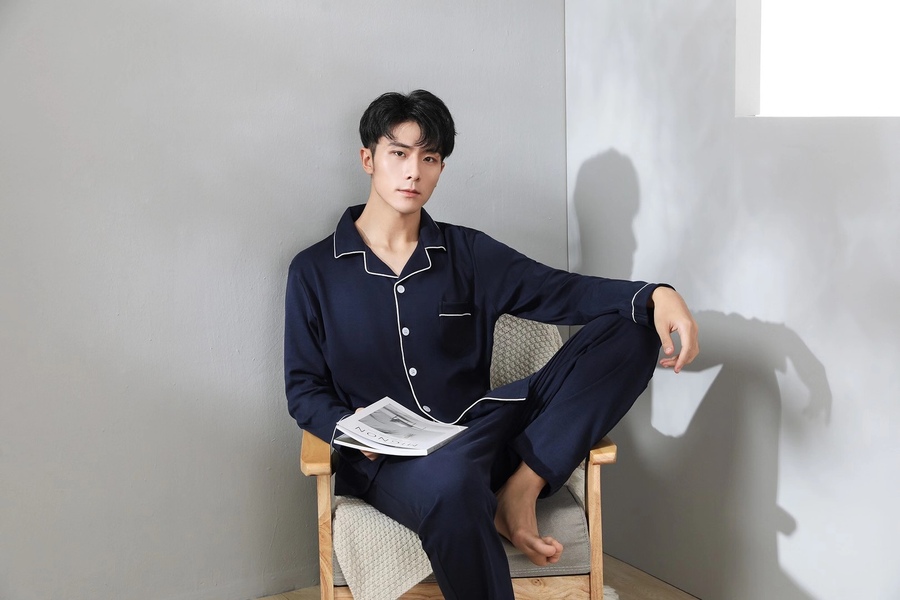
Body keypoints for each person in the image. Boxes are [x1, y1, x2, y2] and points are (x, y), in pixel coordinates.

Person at [284, 89, 699, 600]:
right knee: (452, 484)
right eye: (399, 153)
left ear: (440, 169)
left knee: (633, 326)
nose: (413, 172)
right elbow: (303, 389)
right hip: (389, 464)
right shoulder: (313, 271)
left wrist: (656, 295)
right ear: (368, 159)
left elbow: (562, 291)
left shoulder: (468, 252)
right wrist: (349, 430)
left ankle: (520, 490)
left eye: (429, 158)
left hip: (483, 429)